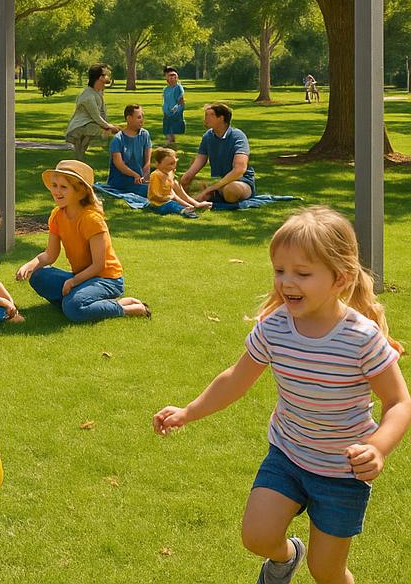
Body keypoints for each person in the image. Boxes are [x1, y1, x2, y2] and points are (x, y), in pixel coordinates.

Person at [153, 207, 410, 584]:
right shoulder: (274, 328)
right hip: (287, 454)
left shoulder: (362, 338)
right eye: (279, 271)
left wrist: (378, 448)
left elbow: (399, 402)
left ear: (340, 278)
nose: (287, 282)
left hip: (342, 472)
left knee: (326, 571)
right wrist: (188, 411)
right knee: (256, 537)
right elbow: (235, 379)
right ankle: (287, 556)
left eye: (302, 274)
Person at [15, 159, 150, 323]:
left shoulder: (91, 219)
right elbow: (50, 255)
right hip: (82, 277)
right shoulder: (57, 215)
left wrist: (73, 282)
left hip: (107, 280)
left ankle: (124, 307)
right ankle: (85, 303)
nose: (56, 191)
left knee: (73, 308)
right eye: (54, 185)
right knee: (38, 276)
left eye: (63, 187)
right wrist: (30, 265)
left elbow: (98, 265)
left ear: (80, 192)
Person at [179, 102, 256, 204]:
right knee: (183, 184)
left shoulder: (237, 136)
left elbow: (239, 170)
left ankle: (210, 195)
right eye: (205, 115)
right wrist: (185, 179)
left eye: (210, 115)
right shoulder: (208, 136)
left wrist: (211, 188)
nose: (205, 118)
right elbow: (199, 160)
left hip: (240, 181)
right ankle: (208, 196)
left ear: (221, 118)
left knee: (231, 190)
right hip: (216, 182)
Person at [64, 63, 119, 159]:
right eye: (105, 74)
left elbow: (102, 112)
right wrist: (109, 127)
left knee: (115, 132)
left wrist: (109, 126)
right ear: (100, 77)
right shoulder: (88, 96)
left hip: (90, 126)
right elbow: (96, 117)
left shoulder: (98, 92)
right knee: (110, 136)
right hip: (79, 128)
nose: (108, 77)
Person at [147, 147, 212, 217]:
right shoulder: (156, 175)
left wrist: (194, 205)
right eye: (170, 164)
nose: (173, 167)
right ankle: (185, 211)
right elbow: (155, 196)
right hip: (157, 205)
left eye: (174, 163)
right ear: (158, 164)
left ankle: (188, 209)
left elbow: (177, 194)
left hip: (168, 201)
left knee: (173, 204)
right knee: (172, 205)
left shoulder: (170, 173)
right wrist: (170, 197)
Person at [106, 103, 151, 196]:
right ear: (129, 118)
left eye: (142, 117)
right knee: (154, 191)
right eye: (139, 117)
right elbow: (119, 164)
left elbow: (148, 159)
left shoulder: (145, 134)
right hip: (121, 181)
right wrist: (135, 175)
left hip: (140, 178)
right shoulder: (118, 139)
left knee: (167, 183)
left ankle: (183, 202)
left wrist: (146, 172)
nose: (142, 120)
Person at [161, 66, 185, 144]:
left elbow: (181, 101)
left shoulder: (178, 88)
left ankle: (170, 145)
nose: (170, 79)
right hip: (166, 113)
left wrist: (176, 109)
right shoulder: (166, 89)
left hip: (174, 114)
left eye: (173, 77)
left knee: (172, 131)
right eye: (168, 76)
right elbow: (165, 100)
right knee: (167, 131)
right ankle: (170, 145)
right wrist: (164, 109)